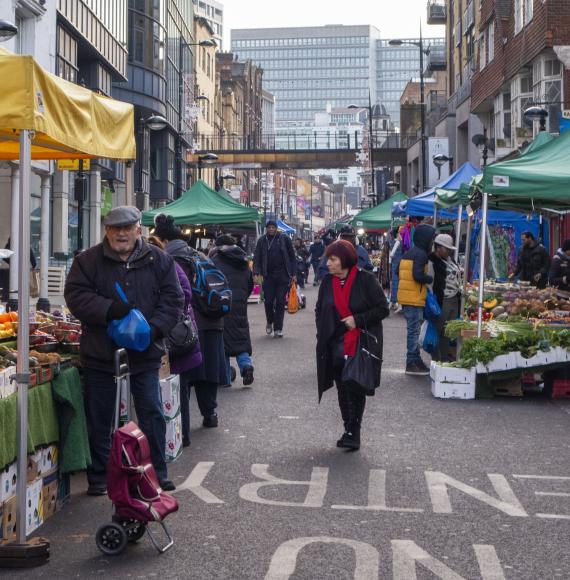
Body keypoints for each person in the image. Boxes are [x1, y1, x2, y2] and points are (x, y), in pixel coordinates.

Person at [64, 206, 183, 494]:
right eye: (115, 228)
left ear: (138, 229)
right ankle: (100, 476)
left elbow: (173, 299)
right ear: (106, 230)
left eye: (127, 228)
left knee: (151, 412)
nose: (121, 233)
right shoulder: (87, 261)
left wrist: (154, 328)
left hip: (145, 352)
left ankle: (157, 471)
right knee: (100, 416)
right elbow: (75, 295)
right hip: (101, 351)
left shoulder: (160, 260)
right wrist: (108, 310)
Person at [153, 214, 228, 433]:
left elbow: (174, 295)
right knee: (209, 370)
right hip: (213, 321)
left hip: (187, 325)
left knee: (183, 374)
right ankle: (210, 413)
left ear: (163, 241)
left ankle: (181, 425)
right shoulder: (199, 255)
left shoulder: (167, 260)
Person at [316, 240, 389, 450]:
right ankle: (348, 427)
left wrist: (357, 319)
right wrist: (321, 332)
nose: (328, 263)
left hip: (359, 342)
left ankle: (354, 431)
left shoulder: (365, 279)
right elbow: (319, 310)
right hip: (334, 343)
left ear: (345, 260)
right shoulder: (328, 282)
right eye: (327, 259)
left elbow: (382, 308)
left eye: (332, 259)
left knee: (354, 385)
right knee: (341, 386)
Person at [148, 236, 202, 446]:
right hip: (171, 339)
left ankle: (182, 437)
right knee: (172, 391)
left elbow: (185, 294)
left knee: (180, 389)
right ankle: (171, 438)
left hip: (177, 339)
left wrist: (164, 314)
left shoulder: (169, 265)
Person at [209, 234, 255, 387]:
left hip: (222, 303)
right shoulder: (243, 261)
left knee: (223, 341)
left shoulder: (214, 262)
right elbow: (250, 283)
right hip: (240, 303)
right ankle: (246, 366)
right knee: (240, 335)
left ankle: (226, 375)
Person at [397, 223, 436, 376]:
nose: (432, 242)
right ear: (425, 238)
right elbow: (417, 275)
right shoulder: (421, 255)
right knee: (414, 331)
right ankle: (412, 361)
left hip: (407, 297)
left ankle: (415, 358)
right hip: (413, 298)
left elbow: (397, 271)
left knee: (413, 330)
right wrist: (429, 278)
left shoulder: (409, 253)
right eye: (431, 239)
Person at [253, 220, 296, 338]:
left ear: (276, 228)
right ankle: (269, 321)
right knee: (268, 302)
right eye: (269, 227)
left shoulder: (284, 238)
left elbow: (292, 257)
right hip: (268, 276)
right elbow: (257, 257)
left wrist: (293, 273)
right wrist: (256, 272)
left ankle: (278, 328)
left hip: (283, 275)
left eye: (273, 227)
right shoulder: (262, 241)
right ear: (266, 228)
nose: (271, 229)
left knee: (281, 302)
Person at [429, 234, 462, 362]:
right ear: (437, 247)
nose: (448, 251)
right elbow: (430, 284)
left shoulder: (450, 259)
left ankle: (443, 356)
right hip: (442, 300)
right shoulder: (431, 261)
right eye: (446, 248)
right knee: (438, 329)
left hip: (454, 299)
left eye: (449, 249)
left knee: (448, 331)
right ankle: (436, 358)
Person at [389, 227, 403, 312]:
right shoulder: (397, 242)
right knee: (396, 283)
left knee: (396, 283)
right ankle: (395, 302)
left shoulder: (394, 242)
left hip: (395, 265)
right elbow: (392, 254)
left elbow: (391, 255)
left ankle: (395, 302)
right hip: (398, 264)